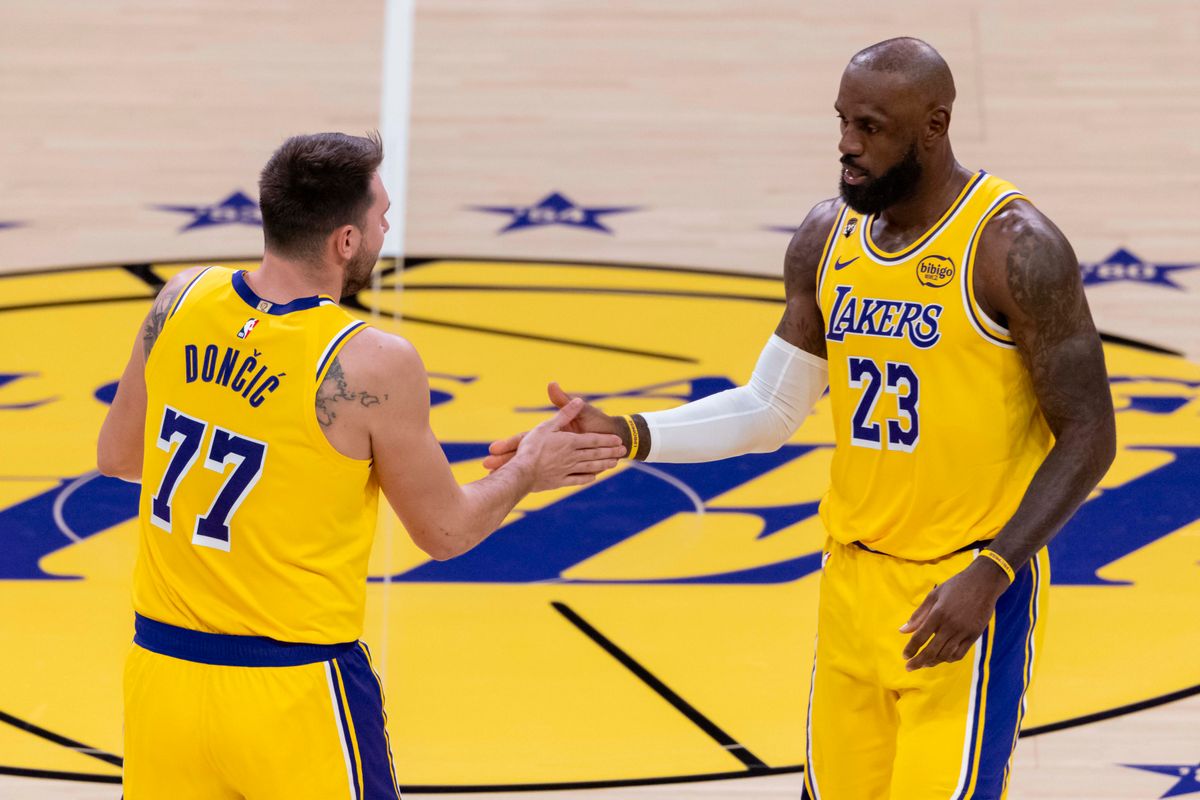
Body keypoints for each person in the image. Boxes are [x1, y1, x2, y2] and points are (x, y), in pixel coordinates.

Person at [485, 38, 1116, 799]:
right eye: (843, 121)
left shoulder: (1014, 248)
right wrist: (628, 434)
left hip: (964, 588)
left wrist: (993, 572)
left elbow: (1090, 434)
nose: (847, 146)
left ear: (934, 125)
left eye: (871, 127)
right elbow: (772, 406)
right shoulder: (827, 238)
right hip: (852, 587)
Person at [97, 132, 625, 799]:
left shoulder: (179, 298)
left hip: (161, 680)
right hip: (294, 689)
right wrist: (528, 469)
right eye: (381, 218)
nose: (384, 230)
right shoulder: (369, 362)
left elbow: (117, 457)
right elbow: (446, 533)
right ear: (344, 241)